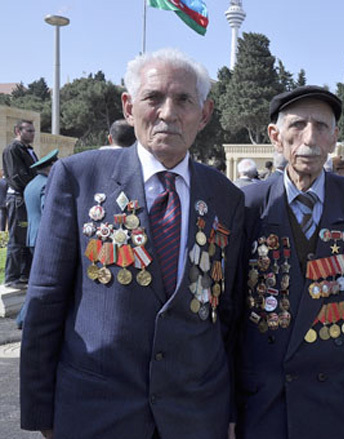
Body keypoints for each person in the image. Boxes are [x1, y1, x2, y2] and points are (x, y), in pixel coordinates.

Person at [20, 48, 244, 439]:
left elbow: (226, 314)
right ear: (128, 106)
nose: (168, 113)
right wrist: (41, 412)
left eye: (184, 100)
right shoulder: (79, 178)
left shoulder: (226, 197)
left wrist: (229, 410)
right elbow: (45, 300)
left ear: (204, 114)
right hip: (96, 413)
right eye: (153, 98)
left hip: (194, 417)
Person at [238, 85, 344, 439]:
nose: (309, 137)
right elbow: (231, 312)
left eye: (321, 127)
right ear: (275, 136)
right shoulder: (247, 204)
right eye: (298, 126)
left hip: (337, 398)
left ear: (335, 137)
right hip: (264, 399)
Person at [15, 149, 59, 330]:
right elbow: (48, 211)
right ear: (50, 167)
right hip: (44, 237)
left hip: (33, 236)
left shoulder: (31, 184)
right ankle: (24, 317)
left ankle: (24, 317)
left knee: (37, 277)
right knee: (42, 279)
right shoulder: (46, 185)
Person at [2, 119, 38, 287]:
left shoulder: (28, 150)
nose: (32, 134)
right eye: (29, 131)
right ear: (18, 131)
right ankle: (11, 278)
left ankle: (24, 275)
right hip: (18, 199)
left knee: (26, 238)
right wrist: (34, 188)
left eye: (33, 131)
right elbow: (17, 177)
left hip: (27, 198)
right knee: (17, 239)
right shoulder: (13, 149)